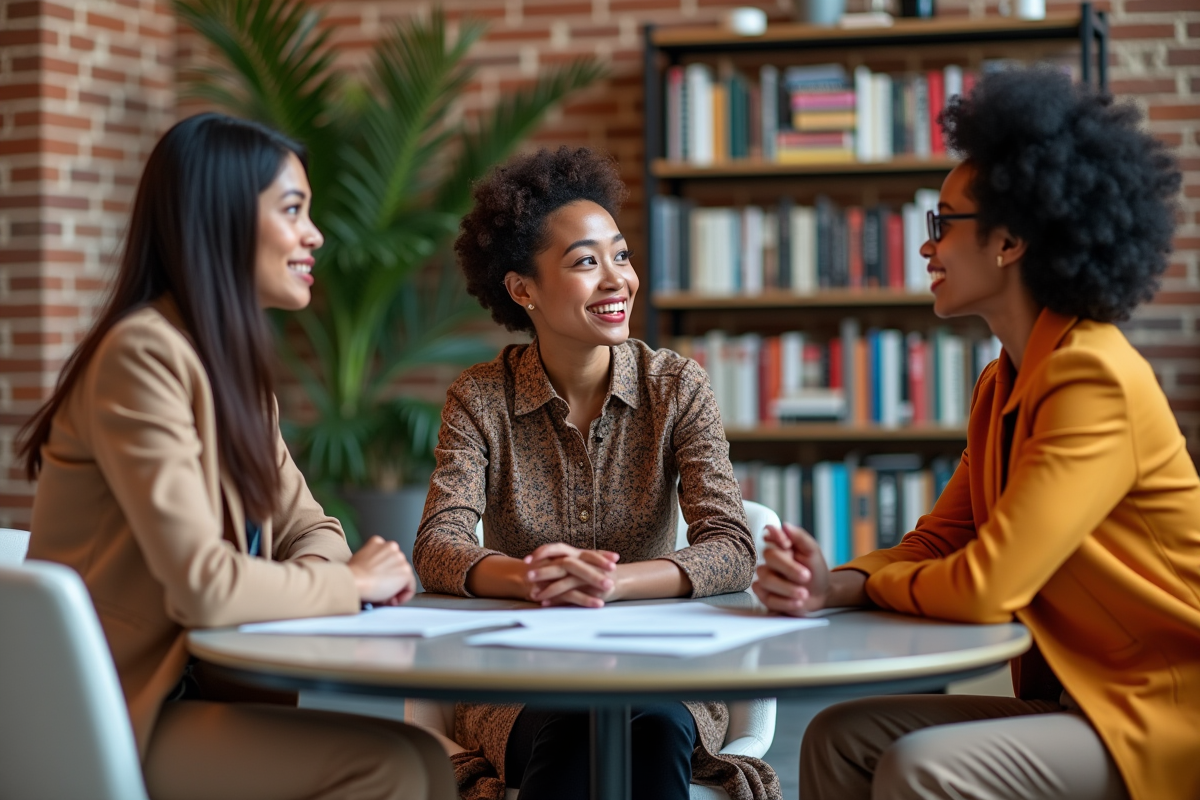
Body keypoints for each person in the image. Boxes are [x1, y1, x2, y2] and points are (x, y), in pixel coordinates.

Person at [752, 67, 1196, 800]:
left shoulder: (1093, 379)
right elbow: (939, 542)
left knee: (922, 769)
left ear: (1010, 241)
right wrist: (826, 586)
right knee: (840, 735)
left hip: (1160, 707)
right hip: (1083, 696)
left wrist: (873, 587)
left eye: (942, 223)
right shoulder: (1004, 382)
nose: (926, 248)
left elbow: (989, 586)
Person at [20, 113, 455, 800]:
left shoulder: (235, 376)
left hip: (191, 692)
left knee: (426, 758)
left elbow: (310, 527)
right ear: (219, 218)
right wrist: (349, 585)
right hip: (114, 711)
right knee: (390, 766)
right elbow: (205, 584)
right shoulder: (142, 356)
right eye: (292, 210)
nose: (315, 234)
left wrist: (332, 573)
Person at [412, 146, 778, 800]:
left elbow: (731, 547)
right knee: (574, 725)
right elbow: (439, 546)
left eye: (621, 255)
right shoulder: (480, 398)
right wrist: (534, 579)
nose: (617, 280)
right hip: (523, 684)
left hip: (660, 673)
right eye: (585, 262)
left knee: (654, 726)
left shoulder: (677, 387)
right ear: (523, 290)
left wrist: (609, 582)